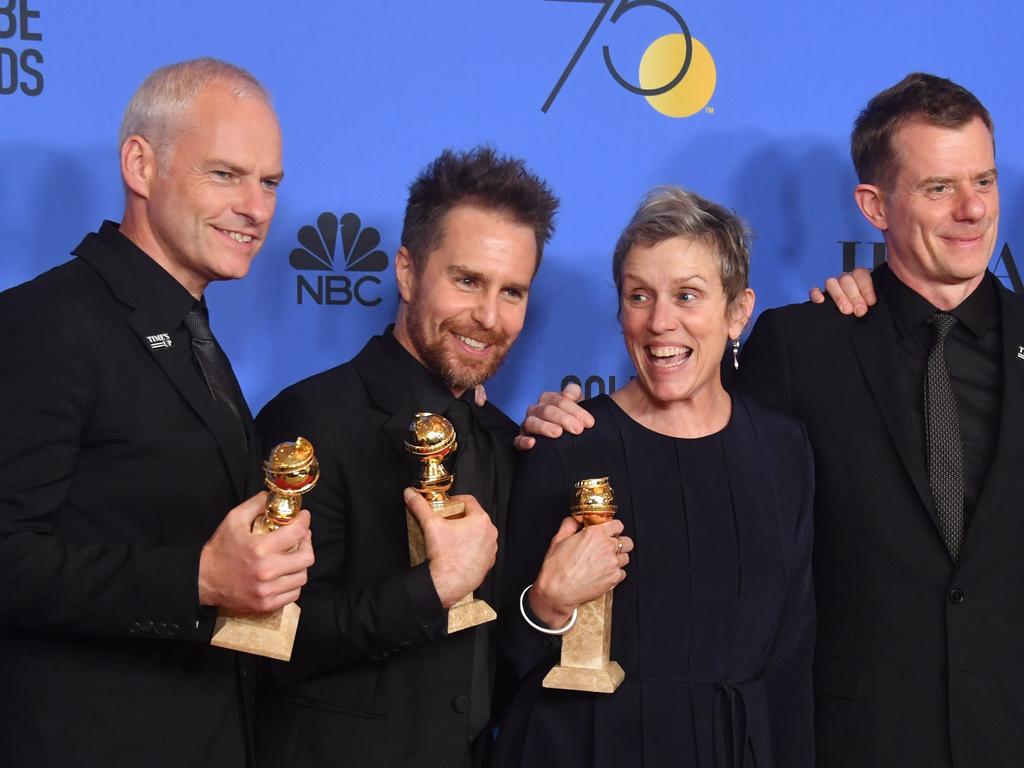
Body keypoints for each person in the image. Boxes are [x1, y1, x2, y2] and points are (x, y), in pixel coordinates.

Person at [523, 72, 1022, 768]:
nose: (972, 210)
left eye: (986, 181)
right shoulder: (801, 346)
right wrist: (567, 423)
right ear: (874, 206)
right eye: (939, 188)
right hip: (850, 740)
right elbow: (683, 412)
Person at [0, 58, 314, 767]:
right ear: (141, 166)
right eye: (226, 174)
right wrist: (197, 580)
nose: (256, 209)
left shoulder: (187, 329)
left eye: (269, 183)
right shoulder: (45, 323)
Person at [254, 146, 559, 768]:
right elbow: (270, 636)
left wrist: (550, 607)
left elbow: (493, 659)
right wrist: (432, 589)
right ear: (407, 272)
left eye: (513, 292)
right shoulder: (312, 419)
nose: (488, 316)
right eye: (467, 280)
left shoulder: (505, 442)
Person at [495, 186, 814, 768]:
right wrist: (545, 605)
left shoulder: (784, 450)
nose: (660, 322)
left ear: (738, 310)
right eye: (639, 296)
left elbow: (791, 656)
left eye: (687, 296)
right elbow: (499, 657)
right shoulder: (566, 446)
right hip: (582, 748)